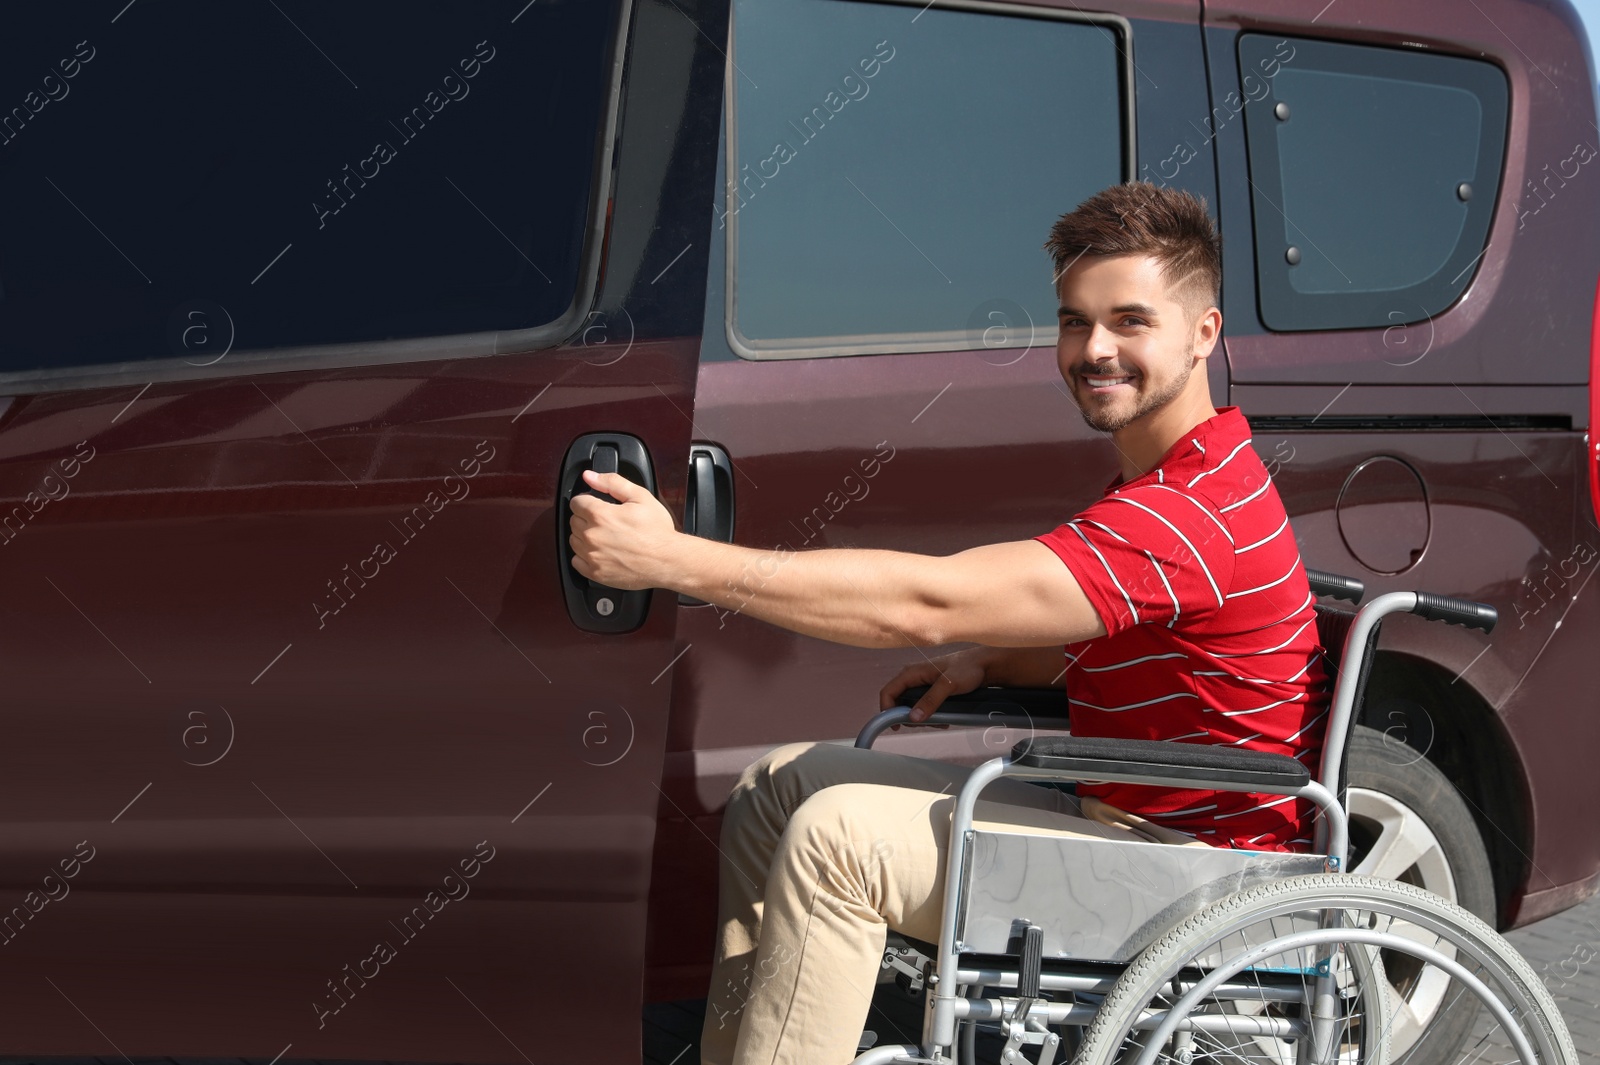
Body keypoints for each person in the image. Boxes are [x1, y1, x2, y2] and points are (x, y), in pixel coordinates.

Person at [567, 180, 1332, 1065]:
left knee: (838, 838)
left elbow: (924, 602)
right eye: (1074, 321)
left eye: (1130, 320)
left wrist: (674, 561)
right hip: (1138, 832)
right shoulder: (1185, 480)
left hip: (1195, 879)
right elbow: (1181, 651)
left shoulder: (1185, 513)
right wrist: (1001, 660)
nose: (1095, 349)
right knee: (782, 785)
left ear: (1204, 333)